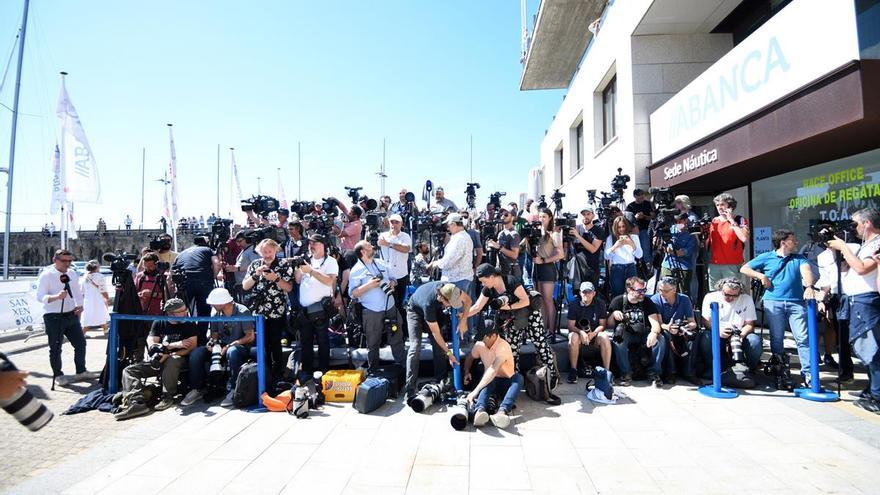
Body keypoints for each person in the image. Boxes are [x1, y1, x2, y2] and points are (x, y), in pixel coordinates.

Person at [741, 229, 816, 388]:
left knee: (803, 337)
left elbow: (807, 271)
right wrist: (761, 276)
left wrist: (809, 286)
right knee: (776, 337)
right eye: (793, 240)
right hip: (773, 301)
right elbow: (744, 268)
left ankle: (809, 374)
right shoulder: (767, 256)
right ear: (783, 242)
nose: (796, 242)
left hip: (796, 302)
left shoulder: (799, 258)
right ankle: (780, 370)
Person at [466, 264, 556, 384]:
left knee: (539, 343)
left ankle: (552, 374)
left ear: (492, 276)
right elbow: (477, 307)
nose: (482, 284)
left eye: (484, 281)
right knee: (512, 349)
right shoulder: (488, 288)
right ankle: (514, 379)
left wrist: (509, 306)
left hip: (529, 313)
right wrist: (463, 316)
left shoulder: (510, 281)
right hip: (513, 318)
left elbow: (525, 301)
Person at [829, 208, 880, 413]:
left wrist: (843, 246)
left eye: (855, 224)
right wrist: (838, 251)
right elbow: (847, 270)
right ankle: (872, 389)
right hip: (855, 301)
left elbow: (861, 268)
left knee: (871, 350)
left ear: (867, 223)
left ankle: (877, 396)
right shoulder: (863, 245)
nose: (854, 229)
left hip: (867, 302)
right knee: (864, 349)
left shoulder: (877, 243)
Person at [119, 299, 197, 414]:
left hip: (178, 358)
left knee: (172, 360)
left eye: (185, 309)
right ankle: (135, 401)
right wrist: (173, 345)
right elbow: (152, 345)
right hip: (158, 358)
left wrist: (168, 352)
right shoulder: (159, 322)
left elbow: (191, 347)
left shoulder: (189, 325)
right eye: (181, 311)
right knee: (129, 370)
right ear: (171, 313)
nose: (186, 312)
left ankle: (167, 396)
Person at [183, 288, 255, 408]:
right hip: (222, 345)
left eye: (214, 303)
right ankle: (197, 388)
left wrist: (231, 345)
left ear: (223, 302)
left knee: (232, 351)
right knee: (197, 353)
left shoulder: (243, 311)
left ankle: (234, 389)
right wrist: (212, 343)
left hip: (241, 346)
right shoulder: (215, 313)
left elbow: (250, 336)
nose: (211, 305)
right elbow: (214, 334)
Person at [404, 282, 471, 400]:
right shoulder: (428, 303)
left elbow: (468, 300)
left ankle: (441, 382)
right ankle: (409, 389)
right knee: (415, 347)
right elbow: (436, 334)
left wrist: (464, 320)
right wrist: (449, 354)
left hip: (435, 310)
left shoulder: (451, 289)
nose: (451, 306)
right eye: (450, 304)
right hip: (415, 312)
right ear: (442, 299)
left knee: (439, 347)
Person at [36, 249, 90, 385]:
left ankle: (81, 371)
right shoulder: (47, 275)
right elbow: (40, 296)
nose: (67, 264)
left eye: (70, 261)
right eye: (64, 261)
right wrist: (56, 297)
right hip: (53, 316)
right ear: (55, 260)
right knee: (55, 347)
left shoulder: (72, 273)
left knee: (80, 343)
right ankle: (58, 375)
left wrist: (80, 305)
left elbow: (77, 292)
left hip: (71, 314)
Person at [349, 241, 405, 370]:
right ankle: (373, 371)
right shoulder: (356, 270)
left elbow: (394, 279)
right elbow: (353, 294)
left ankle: (402, 369)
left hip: (390, 306)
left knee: (397, 339)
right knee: (373, 343)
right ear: (362, 252)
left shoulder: (381, 263)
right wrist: (369, 285)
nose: (372, 247)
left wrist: (392, 283)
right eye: (369, 246)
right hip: (371, 311)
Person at [242, 239, 294, 379]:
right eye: (264, 252)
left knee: (275, 342)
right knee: (262, 343)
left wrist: (275, 278)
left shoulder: (284, 265)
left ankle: (277, 373)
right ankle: (265, 372)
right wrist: (255, 275)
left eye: (270, 251)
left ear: (275, 250)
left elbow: (289, 288)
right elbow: (245, 286)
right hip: (259, 311)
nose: (267, 255)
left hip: (277, 311)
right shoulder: (255, 265)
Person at [699, 277, 762, 387]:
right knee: (706, 337)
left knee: (755, 341)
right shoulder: (711, 297)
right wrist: (717, 330)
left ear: (740, 292)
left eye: (734, 295)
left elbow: (750, 324)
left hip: (738, 331)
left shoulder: (746, 299)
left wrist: (741, 335)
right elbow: (705, 321)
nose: (729, 298)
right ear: (720, 290)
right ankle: (712, 368)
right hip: (717, 329)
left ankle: (749, 369)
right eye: (726, 295)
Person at [606, 277, 665, 387]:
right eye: (639, 291)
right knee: (618, 341)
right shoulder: (618, 301)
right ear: (629, 290)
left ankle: (653, 372)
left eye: (644, 290)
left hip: (644, 333)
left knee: (660, 339)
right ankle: (626, 373)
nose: (642, 293)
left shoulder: (647, 302)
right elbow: (608, 325)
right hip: (627, 333)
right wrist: (613, 314)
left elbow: (656, 324)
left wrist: (654, 333)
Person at [295, 234, 339, 377]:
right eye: (310, 243)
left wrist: (312, 271)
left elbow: (329, 281)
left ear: (323, 245)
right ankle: (307, 372)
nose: (311, 246)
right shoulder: (306, 261)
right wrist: (298, 266)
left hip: (321, 309)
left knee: (322, 341)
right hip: (305, 309)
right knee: (305, 342)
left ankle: (324, 371)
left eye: (315, 243)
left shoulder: (330, 261)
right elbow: (297, 280)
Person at [463, 322, 520, 429]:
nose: (482, 342)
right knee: (488, 379)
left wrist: (475, 391)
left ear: (493, 336)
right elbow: (470, 357)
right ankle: (479, 411)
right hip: (490, 382)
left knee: (518, 378)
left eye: (484, 338)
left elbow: (493, 369)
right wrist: (467, 372)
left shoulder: (503, 346)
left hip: (505, 385)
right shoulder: (480, 344)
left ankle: (502, 412)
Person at [172, 236, 224, 343]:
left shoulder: (182, 253)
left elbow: (172, 272)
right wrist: (213, 277)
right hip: (203, 280)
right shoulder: (207, 250)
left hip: (184, 281)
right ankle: (201, 339)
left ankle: (184, 338)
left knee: (180, 310)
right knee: (204, 311)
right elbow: (217, 263)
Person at [650, 277, 699, 385]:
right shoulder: (655, 299)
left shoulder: (684, 299)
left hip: (681, 327)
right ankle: (671, 372)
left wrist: (686, 327)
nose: (662, 293)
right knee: (668, 337)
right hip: (665, 328)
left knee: (693, 337)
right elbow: (660, 323)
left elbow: (692, 322)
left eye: (666, 291)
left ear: (674, 289)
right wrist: (669, 327)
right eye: (660, 290)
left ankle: (689, 372)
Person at [524, 208, 563, 334]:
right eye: (540, 217)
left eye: (544, 217)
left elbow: (561, 254)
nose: (541, 219)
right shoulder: (535, 232)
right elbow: (530, 253)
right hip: (536, 268)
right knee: (539, 300)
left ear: (550, 218)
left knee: (547, 300)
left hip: (547, 268)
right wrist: (527, 241)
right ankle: (543, 329)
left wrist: (544, 260)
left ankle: (551, 331)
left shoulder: (554, 233)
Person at [566, 281, 612, 383]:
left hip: (594, 336)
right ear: (580, 293)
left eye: (589, 292)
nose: (586, 294)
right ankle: (573, 370)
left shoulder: (600, 304)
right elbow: (570, 326)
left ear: (594, 293)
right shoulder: (574, 304)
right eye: (584, 292)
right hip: (579, 338)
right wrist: (581, 332)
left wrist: (593, 333)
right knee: (572, 336)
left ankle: (607, 372)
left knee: (604, 336)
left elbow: (603, 325)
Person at [426, 213, 474, 296]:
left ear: (454, 224)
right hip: (462, 279)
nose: (447, 228)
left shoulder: (459, 239)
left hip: (456, 281)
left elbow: (448, 262)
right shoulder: (465, 236)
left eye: (448, 225)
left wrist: (435, 263)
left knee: (458, 307)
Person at [708, 193, 749, 288]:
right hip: (714, 264)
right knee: (715, 293)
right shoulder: (714, 221)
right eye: (717, 205)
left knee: (732, 291)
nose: (719, 207)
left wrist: (731, 220)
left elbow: (744, 238)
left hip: (732, 264)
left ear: (730, 205)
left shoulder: (739, 219)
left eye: (722, 204)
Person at [378, 214, 413, 318]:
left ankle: (401, 327)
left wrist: (389, 244)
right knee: (388, 302)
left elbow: (407, 249)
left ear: (401, 224)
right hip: (387, 275)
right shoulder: (383, 235)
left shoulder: (405, 236)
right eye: (392, 222)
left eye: (396, 222)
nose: (394, 224)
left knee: (399, 303)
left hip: (400, 275)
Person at [605, 216, 642, 298]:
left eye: (623, 226)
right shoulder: (611, 238)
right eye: (619, 227)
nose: (621, 229)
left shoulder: (634, 237)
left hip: (631, 267)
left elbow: (639, 255)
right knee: (618, 294)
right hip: (617, 268)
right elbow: (606, 256)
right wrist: (615, 246)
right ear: (615, 228)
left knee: (633, 294)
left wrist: (631, 244)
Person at [660, 213, 697, 291]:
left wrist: (671, 251)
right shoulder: (669, 230)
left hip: (684, 267)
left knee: (683, 292)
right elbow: (661, 246)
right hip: (668, 265)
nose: (677, 224)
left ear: (686, 220)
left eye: (680, 221)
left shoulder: (691, 234)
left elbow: (682, 253)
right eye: (676, 222)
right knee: (666, 290)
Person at [570, 206, 605, 287]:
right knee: (577, 295)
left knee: (591, 294)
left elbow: (593, 249)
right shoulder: (576, 228)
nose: (585, 216)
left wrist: (578, 236)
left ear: (593, 216)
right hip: (577, 269)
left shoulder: (598, 230)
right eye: (583, 214)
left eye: (588, 214)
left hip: (591, 269)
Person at [487, 208, 522, 279]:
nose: (503, 216)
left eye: (506, 215)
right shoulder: (501, 233)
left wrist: (499, 247)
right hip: (502, 268)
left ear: (512, 217)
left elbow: (514, 255)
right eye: (502, 214)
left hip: (512, 270)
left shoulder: (514, 234)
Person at [79, 260, 110, 333]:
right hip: (98, 299)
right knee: (101, 314)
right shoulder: (100, 276)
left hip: (87, 299)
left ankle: (83, 332)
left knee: (88, 315)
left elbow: (82, 291)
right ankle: (105, 330)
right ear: (96, 267)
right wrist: (107, 297)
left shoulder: (84, 277)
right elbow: (103, 289)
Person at [626, 189, 655, 262]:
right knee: (634, 249)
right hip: (634, 231)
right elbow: (627, 220)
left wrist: (644, 216)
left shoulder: (648, 204)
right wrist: (635, 217)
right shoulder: (630, 206)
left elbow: (653, 217)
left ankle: (647, 265)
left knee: (645, 248)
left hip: (645, 229)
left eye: (642, 197)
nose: (641, 199)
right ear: (634, 196)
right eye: (639, 197)